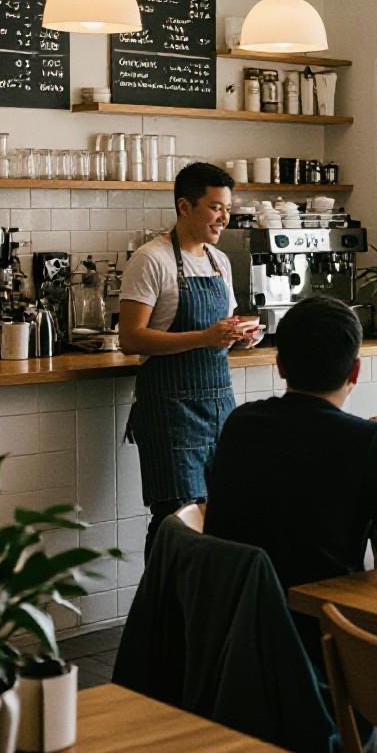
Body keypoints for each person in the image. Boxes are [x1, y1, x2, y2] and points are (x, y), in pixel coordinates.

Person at [205, 295, 377, 753]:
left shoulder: (239, 425)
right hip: (325, 648)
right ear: (355, 370)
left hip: (233, 646)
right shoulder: (364, 442)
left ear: (279, 365)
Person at [119, 161, 259, 557]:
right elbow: (130, 338)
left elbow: (220, 330)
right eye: (215, 207)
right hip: (170, 411)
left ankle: (200, 596)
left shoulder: (219, 261)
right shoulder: (151, 259)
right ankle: (159, 596)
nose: (224, 218)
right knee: (174, 518)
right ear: (184, 206)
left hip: (219, 406)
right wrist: (206, 337)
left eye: (227, 208)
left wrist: (240, 337)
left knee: (217, 513)